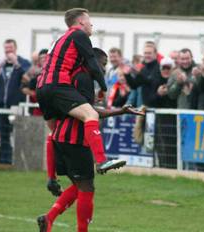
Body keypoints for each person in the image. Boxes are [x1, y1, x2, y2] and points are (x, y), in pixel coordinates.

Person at [38, 48, 144, 232]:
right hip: (75, 140)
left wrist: (119, 111)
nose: (104, 69)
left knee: (80, 185)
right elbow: (90, 113)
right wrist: (118, 111)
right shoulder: (83, 78)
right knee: (87, 187)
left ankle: (49, 218)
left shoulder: (75, 77)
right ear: (92, 61)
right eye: (103, 64)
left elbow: (86, 109)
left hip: (61, 138)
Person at [36, 8, 124, 173]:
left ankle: (54, 176)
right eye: (89, 21)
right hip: (57, 84)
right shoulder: (78, 35)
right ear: (81, 22)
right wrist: (103, 88)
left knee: (55, 133)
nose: (91, 24)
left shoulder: (60, 40)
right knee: (91, 115)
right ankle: (101, 161)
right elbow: (92, 63)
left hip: (41, 87)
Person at [0, 39, 31, 164]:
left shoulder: (23, 63)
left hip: (16, 105)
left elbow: (28, 78)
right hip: (0, 105)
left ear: (15, 49)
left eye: (10, 48)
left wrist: (17, 64)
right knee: (3, 134)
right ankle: (5, 161)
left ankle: (17, 161)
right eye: (6, 49)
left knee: (16, 133)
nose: (8, 51)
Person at [21, 48, 48, 116]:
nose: (43, 59)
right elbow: (23, 86)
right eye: (41, 58)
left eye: (45, 57)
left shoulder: (54, 70)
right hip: (35, 106)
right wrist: (32, 93)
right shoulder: (32, 71)